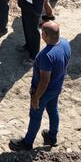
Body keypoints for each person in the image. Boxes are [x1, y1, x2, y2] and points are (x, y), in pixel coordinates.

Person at [9, 21, 71, 151]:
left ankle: (27, 143)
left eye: (42, 32)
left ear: (46, 36)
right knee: (53, 110)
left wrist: (36, 97)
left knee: (35, 115)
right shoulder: (65, 43)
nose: (41, 34)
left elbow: (44, 81)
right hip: (57, 87)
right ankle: (52, 137)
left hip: (44, 91)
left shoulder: (46, 56)